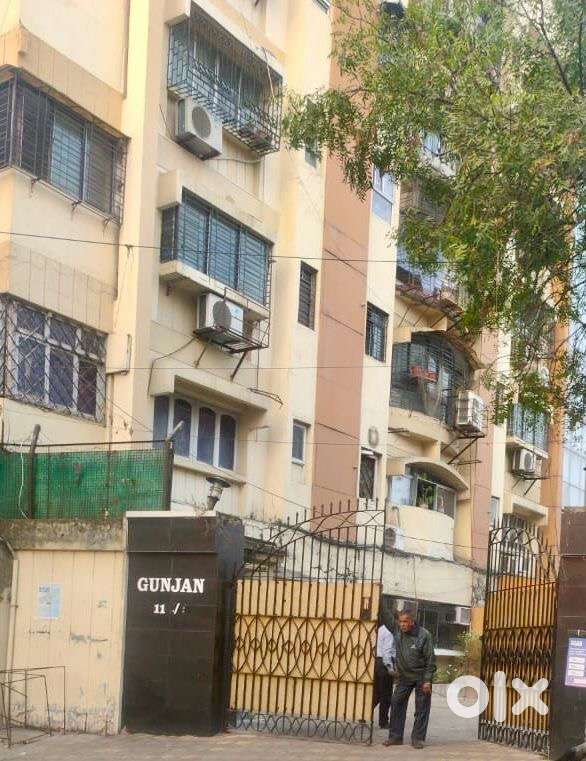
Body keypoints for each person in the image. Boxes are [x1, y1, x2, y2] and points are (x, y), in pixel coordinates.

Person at [383, 610, 436, 750]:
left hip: (421, 676)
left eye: (405, 622)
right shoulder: (397, 631)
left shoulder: (424, 635)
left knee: (422, 708)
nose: (402, 624)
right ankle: (395, 737)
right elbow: (385, 615)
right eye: (400, 621)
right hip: (404, 676)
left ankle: (417, 738)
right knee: (396, 702)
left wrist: (428, 680)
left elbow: (430, 659)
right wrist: (377, 597)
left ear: (412, 622)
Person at [373, 615, 396, 729]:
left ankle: (363, 714)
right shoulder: (388, 632)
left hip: (375, 662)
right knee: (386, 695)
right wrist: (390, 669)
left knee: (376, 693)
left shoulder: (377, 630)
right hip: (384, 664)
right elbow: (387, 652)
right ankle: (383, 722)